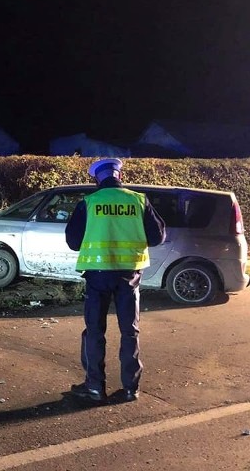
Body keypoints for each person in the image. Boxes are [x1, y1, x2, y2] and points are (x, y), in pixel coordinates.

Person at [65, 158, 166, 404]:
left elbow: (73, 241)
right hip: (129, 275)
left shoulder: (89, 203)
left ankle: (95, 387)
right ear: (119, 176)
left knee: (94, 332)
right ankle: (131, 388)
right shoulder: (138, 200)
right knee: (129, 331)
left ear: (98, 178)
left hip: (98, 275)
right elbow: (158, 237)